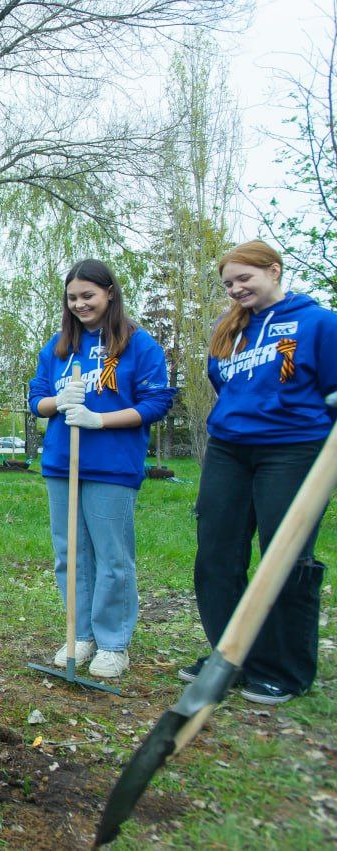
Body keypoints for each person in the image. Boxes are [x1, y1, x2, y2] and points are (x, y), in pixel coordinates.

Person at [183, 240, 337, 705]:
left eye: (244, 278)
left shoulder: (319, 322)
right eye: (228, 283)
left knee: (284, 554)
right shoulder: (229, 330)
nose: (235, 289)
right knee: (216, 552)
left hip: (292, 449)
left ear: (273, 271)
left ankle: (282, 669)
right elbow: (222, 383)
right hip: (230, 450)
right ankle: (227, 655)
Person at [29, 259, 175, 679]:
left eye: (88, 295)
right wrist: (59, 401)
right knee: (69, 554)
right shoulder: (60, 346)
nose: (79, 304)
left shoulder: (138, 344)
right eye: (72, 298)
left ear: (110, 292)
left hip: (111, 464)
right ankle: (80, 633)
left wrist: (100, 419)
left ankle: (113, 642)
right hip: (62, 462)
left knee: (112, 556)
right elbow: (35, 399)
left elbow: (156, 403)